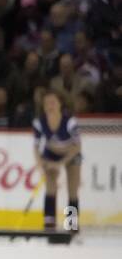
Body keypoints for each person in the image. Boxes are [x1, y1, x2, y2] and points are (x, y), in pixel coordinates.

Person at [32, 90, 82, 230]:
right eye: (47, 103)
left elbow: (77, 146)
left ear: (60, 104)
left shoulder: (70, 122)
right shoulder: (39, 122)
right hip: (50, 153)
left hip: (70, 154)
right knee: (50, 186)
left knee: (72, 189)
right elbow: (36, 147)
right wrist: (40, 163)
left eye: (53, 102)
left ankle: (71, 224)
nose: (50, 105)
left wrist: (60, 163)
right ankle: (49, 222)